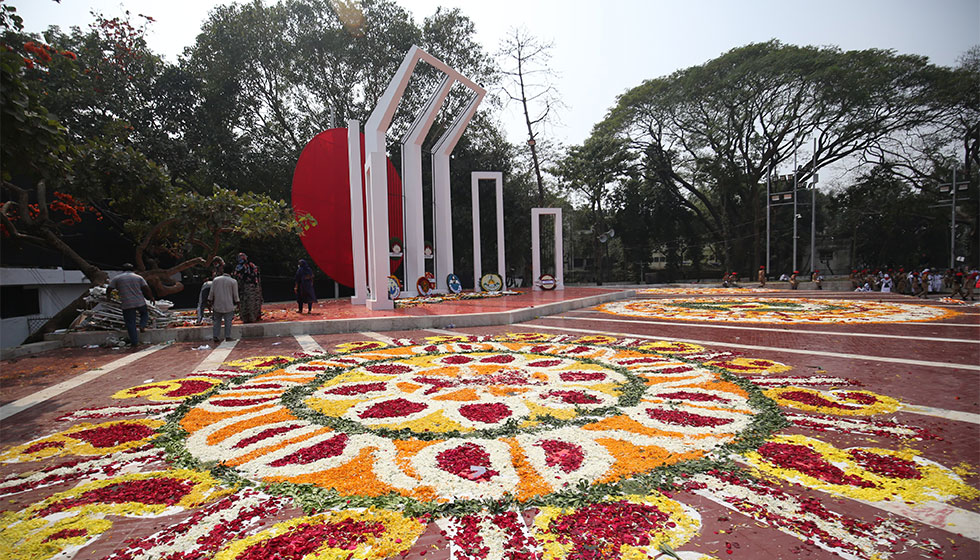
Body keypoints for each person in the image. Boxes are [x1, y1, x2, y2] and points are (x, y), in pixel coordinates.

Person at [107, 264, 154, 347]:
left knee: (130, 323)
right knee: (144, 314)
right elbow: (146, 288)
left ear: (123, 270)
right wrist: (151, 297)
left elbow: (109, 288)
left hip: (127, 303)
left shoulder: (117, 278)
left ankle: (134, 342)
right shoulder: (138, 277)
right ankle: (142, 325)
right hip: (139, 302)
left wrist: (108, 297)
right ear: (133, 269)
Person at [208, 263, 239, 343]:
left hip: (217, 304)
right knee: (228, 321)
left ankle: (215, 336)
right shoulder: (233, 281)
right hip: (228, 305)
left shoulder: (215, 280)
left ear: (223, 270)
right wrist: (238, 304)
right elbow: (235, 295)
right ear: (231, 271)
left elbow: (211, 293)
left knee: (216, 321)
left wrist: (209, 301)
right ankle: (228, 336)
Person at [233, 252, 263, 323]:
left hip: (250, 287)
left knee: (251, 303)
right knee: (248, 303)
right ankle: (250, 318)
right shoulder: (249, 266)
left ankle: (251, 318)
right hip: (250, 287)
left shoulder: (249, 266)